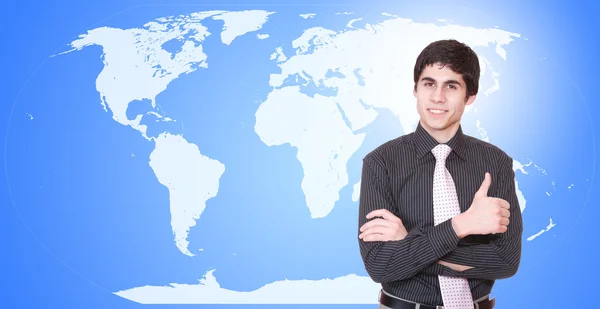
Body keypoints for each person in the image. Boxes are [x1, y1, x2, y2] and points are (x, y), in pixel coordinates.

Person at [357, 39, 523, 309]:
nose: (437, 97)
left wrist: (408, 242)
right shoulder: (380, 162)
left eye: (451, 86)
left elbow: (505, 262)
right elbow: (381, 265)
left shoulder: (496, 163)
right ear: (415, 89)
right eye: (429, 83)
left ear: (470, 96)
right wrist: (462, 225)